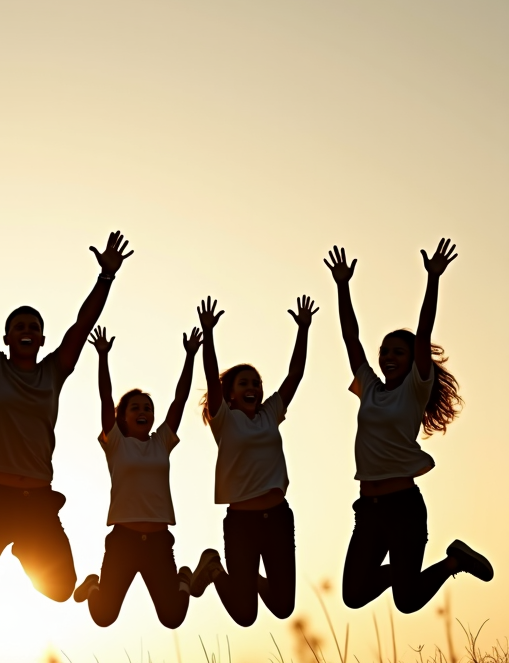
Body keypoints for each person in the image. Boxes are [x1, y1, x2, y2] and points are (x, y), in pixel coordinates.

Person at [0, 200, 133, 601]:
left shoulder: (53, 372)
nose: (26, 331)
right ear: (6, 338)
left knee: (60, 591)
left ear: (42, 340)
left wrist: (106, 275)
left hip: (38, 503)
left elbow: (82, 324)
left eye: (34, 328)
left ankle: (25, 544)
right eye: (18, 327)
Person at [326, 240, 493, 611]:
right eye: (384, 351)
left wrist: (432, 280)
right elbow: (350, 338)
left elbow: (424, 329)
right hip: (368, 509)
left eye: (397, 352)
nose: (387, 357)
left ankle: (454, 562)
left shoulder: (416, 389)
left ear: (412, 359)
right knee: (353, 595)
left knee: (407, 600)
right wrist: (342, 286)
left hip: (404, 507)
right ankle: (420, 570)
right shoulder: (368, 388)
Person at [189, 294, 319, 626]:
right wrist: (209, 335)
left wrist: (303, 329)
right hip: (242, 525)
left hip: (277, 518)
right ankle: (215, 568)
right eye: (244, 383)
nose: (253, 387)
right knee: (246, 615)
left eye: (256, 383)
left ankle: (232, 576)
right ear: (230, 393)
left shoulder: (270, 413)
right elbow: (210, 375)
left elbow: (295, 376)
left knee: (283, 605)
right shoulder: (224, 418)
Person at [72, 324, 203, 627]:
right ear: (124, 416)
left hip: (158, 542)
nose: (143, 411)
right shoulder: (116, 443)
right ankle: (93, 584)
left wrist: (190, 356)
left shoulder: (162, 442)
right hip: (124, 542)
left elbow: (179, 401)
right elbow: (105, 399)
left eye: (147, 408)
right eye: (135, 408)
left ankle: (183, 578)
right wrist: (103, 357)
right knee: (104, 616)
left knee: (172, 617)